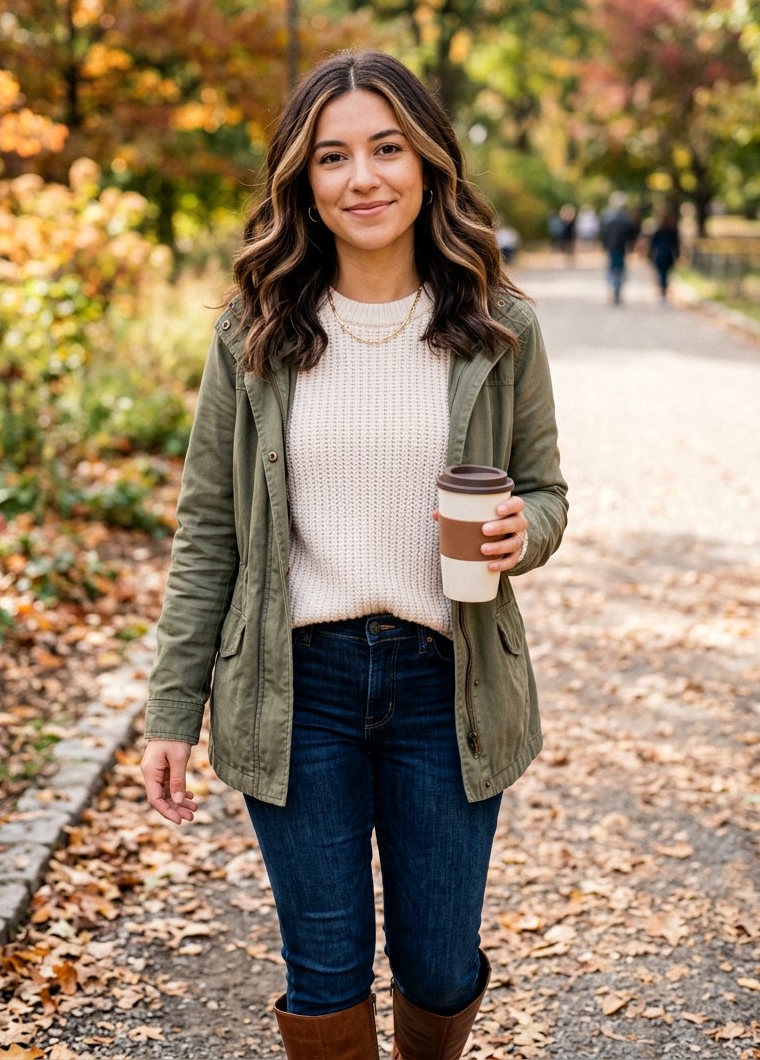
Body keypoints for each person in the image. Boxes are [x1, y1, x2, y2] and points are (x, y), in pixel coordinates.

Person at [140, 51, 568, 1060]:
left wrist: (525, 533)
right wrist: (172, 708)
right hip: (296, 685)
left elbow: (545, 491)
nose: (362, 177)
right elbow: (208, 528)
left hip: (446, 681)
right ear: (304, 181)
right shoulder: (253, 334)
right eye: (332, 157)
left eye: (387, 149)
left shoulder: (499, 328)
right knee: (324, 970)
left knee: (440, 965)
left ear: (427, 164)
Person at [601, 192, 640, 305]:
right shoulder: (626, 218)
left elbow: (604, 234)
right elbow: (633, 234)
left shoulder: (609, 218)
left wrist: (605, 245)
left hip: (613, 247)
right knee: (620, 268)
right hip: (622, 247)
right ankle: (617, 288)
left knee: (613, 268)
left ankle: (615, 287)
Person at [648, 202, 681, 304]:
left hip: (660, 255)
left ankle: (663, 293)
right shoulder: (672, 230)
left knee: (661, 274)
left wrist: (650, 255)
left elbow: (653, 244)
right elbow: (676, 245)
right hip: (668, 255)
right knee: (665, 274)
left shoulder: (659, 230)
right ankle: (663, 293)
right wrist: (677, 255)